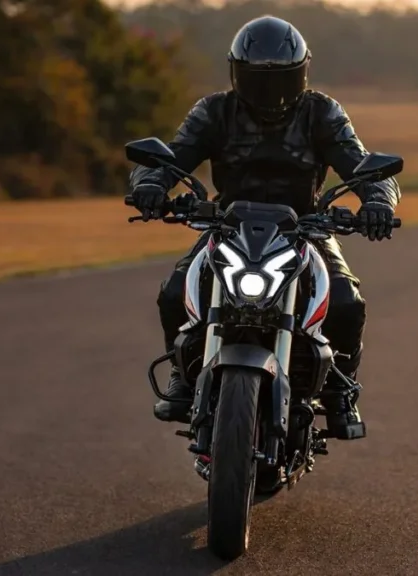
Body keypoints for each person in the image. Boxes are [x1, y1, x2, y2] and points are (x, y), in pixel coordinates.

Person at [127, 15, 401, 441]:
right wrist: (149, 185)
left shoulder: (322, 112)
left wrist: (378, 202)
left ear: (302, 73)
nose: (270, 92)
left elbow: (364, 166)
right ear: (237, 73)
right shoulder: (214, 111)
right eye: (258, 79)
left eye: (281, 79)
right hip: (228, 225)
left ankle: (340, 392)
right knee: (174, 292)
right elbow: (172, 157)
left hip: (306, 227)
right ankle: (185, 374)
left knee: (347, 303)